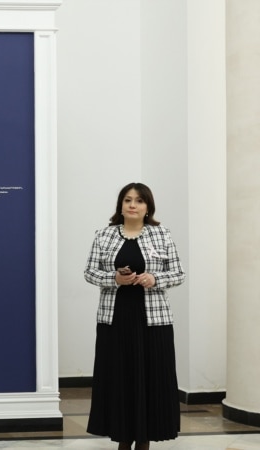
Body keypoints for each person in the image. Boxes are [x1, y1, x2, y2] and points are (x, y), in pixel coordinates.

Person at [83, 182, 186, 450]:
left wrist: (155, 278)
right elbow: (90, 272)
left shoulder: (162, 234)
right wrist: (114, 278)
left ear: (148, 207)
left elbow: (178, 273)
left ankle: (144, 441)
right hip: (115, 320)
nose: (132, 205)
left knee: (152, 379)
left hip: (154, 322)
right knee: (119, 378)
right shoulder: (104, 235)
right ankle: (122, 438)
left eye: (139, 201)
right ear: (120, 205)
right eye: (128, 200)